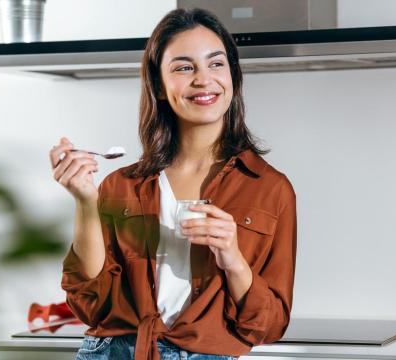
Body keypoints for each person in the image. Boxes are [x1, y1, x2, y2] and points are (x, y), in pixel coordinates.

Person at [49, 8, 296, 360]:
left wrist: (233, 259)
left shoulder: (270, 189)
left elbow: (268, 326)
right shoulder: (122, 186)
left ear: (233, 77)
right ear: (160, 88)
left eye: (216, 64)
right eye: (183, 67)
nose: (203, 79)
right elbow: (92, 306)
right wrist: (85, 201)